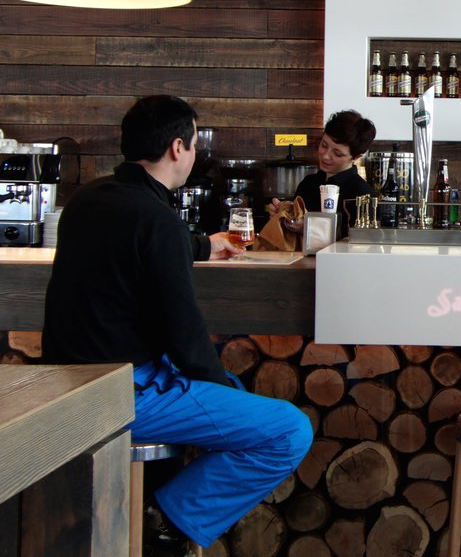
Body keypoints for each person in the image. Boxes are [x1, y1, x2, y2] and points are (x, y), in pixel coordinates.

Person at [41, 95, 313, 554]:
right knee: (288, 430)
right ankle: (166, 523)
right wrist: (223, 394)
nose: (193, 155)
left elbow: (141, 244)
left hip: (69, 382)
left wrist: (203, 246)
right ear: (176, 148)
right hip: (122, 393)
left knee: (228, 393)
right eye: (192, 144)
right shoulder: (155, 220)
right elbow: (184, 334)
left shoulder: (89, 199)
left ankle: (160, 506)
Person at [269, 109, 376, 240]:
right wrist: (281, 217)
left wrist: (310, 229)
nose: (325, 156)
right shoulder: (308, 183)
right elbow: (290, 237)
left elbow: (361, 244)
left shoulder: (363, 194)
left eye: (337, 153)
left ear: (356, 157)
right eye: (324, 145)